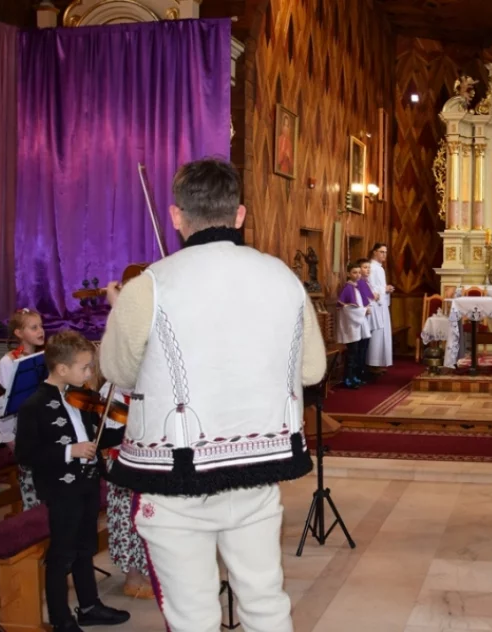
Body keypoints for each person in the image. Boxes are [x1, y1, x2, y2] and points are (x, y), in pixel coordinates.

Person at [99, 158, 327, 632]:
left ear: (176, 216)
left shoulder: (149, 287)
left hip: (177, 475)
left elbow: (117, 371)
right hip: (256, 469)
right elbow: (312, 370)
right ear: (239, 214)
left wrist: (120, 315)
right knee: (265, 601)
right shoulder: (284, 278)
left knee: (193, 616)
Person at [15, 331, 129, 632]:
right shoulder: (34, 406)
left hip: (88, 483)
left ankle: (90, 606)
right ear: (62, 369)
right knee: (62, 554)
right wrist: (70, 450)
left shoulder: (80, 399)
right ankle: (60, 618)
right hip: (61, 489)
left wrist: (127, 424)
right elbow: (26, 453)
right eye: (85, 368)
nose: (90, 373)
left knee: (84, 547)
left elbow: (99, 436)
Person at [0, 308, 46, 510]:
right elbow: (3, 402)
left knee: (45, 478)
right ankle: (32, 521)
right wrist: (7, 435)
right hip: (22, 428)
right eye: (34, 327)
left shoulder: (43, 357)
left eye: (41, 326)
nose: (41, 331)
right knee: (30, 479)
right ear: (19, 333)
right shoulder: (7, 362)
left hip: (41, 425)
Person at [99, 381, 153, 599]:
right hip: (122, 465)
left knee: (146, 519)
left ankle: (149, 572)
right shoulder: (113, 392)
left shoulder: (147, 385)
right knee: (126, 521)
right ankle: (132, 576)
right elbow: (109, 437)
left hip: (146, 463)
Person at [337, 261, 372, 389]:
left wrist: (365, 309)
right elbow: (346, 309)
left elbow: (360, 304)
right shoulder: (348, 289)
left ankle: (354, 376)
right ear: (348, 274)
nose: (357, 275)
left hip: (357, 325)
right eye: (354, 272)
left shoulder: (357, 287)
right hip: (351, 326)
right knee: (351, 354)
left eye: (358, 272)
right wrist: (364, 310)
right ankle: (348, 378)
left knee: (356, 353)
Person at [366, 242, 394, 372]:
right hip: (375, 306)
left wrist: (385, 289)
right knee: (376, 334)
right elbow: (369, 286)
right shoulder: (371, 267)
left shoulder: (379, 268)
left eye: (385, 252)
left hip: (381, 305)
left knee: (382, 334)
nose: (384, 255)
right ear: (374, 252)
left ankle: (378, 363)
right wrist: (384, 289)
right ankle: (372, 363)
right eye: (382, 252)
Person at [357, 258, 380, 379]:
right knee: (362, 346)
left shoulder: (366, 281)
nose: (368, 270)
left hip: (368, 315)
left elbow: (373, 296)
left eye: (369, 267)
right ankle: (359, 372)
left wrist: (374, 296)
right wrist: (374, 296)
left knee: (365, 346)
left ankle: (362, 370)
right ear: (359, 269)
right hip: (364, 316)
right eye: (365, 267)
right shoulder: (360, 282)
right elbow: (368, 298)